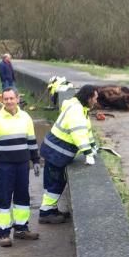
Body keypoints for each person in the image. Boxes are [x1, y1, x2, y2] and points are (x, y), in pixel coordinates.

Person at [0, 88, 41, 247]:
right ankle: (3, 234)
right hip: (4, 166)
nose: (9, 101)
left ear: (17, 98)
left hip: (23, 165)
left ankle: (21, 229)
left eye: (11, 98)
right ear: (2, 101)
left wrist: (35, 160)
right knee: (4, 197)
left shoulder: (26, 118)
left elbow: (31, 141)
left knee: (23, 197)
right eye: (6, 99)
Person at [39, 84, 98, 224]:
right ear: (89, 98)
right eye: (95, 98)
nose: (96, 101)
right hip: (56, 153)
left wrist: (93, 146)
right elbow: (78, 133)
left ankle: (51, 209)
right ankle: (46, 213)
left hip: (54, 151)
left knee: (55, 182)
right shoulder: (77, 111)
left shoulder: (80, 108)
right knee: (55, 183)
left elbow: (86, 131)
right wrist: (88, 153)